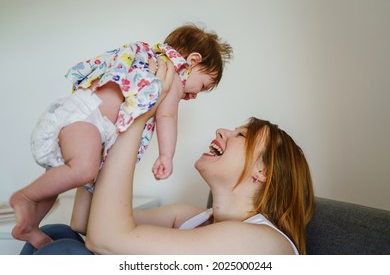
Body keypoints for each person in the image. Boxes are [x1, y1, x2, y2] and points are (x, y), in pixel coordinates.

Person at [20, 59, 315, 255]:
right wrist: (101, 134)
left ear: (262, 172)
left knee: (64, 253)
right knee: (56, 235)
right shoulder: (192, 218)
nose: (222, 131)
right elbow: (85, 224)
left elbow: (106, 239)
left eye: (241, 135)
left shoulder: (262, 243)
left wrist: (138, 117)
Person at [10, 23, 233, 249]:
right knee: (83, 170)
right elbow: (168, 117)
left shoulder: (148, 58)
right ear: (192, 61)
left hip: (82, 116)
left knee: (59, 179)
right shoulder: (171, 73)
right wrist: (166, 155)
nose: (195, 95)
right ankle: (25, 197)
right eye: (203, 85)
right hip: (90, 118)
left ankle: (30, 225)